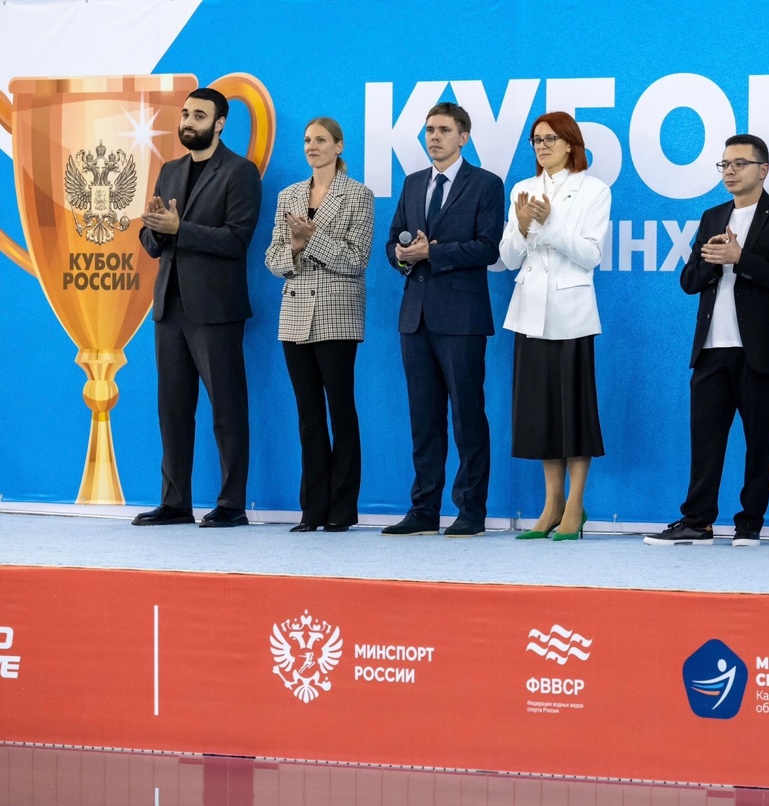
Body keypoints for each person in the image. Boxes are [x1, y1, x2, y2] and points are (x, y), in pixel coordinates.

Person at [645, 134, 769, 548]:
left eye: (739, 164)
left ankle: (749, 523)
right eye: (724, 165)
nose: (730, 172)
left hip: (758, 349)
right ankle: (697, 521)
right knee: (705, 440)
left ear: (763, 170)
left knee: (759, 441)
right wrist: (713, 263)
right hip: (711, 349)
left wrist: (741, 260)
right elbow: (688, 281)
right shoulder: (713, 216)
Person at [135, 87, 262, 528]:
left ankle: (232, 504)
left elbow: (236, 240)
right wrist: (157, 229)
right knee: (172, 409)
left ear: (220, 123)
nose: (188, 121)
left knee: (227, 408)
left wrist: (179, 228)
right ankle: (175, 503)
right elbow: (151, 241)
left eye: (199, 116)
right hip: (169, 307)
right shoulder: (169, 171)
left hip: (216, 309)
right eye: (186, 114)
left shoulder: (240, 172)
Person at [383, 102, 505, 537]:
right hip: (414, 316)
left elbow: (488, 247)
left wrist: (433, 253)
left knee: (467, 417)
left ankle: (471, 511)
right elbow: (392, 242)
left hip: (462, 317)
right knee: (424, 420)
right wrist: (402, 255)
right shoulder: (413, 183)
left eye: (443, 130)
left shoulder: (486, 184)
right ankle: (424, 510)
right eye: (429, 130)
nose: (433, 137)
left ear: (463, 137)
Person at [498, 112, 610, 542]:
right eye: (536, 140)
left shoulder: (593, 189)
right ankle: (551, 505)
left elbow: (590, 254)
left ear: (569, 144)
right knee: (541, 413)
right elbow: (509, 257)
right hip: (530, 311)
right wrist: (524, 225)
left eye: (549, 139)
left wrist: (550, 224)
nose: (541, 146)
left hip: (571, 313)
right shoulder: (522, 189)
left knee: (573, 412)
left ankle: (575, 506)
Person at [265, 117, 374, 533]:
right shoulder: (289, 195)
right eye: (308, 140)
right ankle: (312, 510)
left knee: (341, 411)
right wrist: (294, 249)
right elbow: (272, 260)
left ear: (339, 146)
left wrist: (313, 240)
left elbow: (357, 259)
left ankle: (341, 510)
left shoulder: (358, 195)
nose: (312, 146)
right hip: (294, 316)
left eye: (321, 140)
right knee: (308, 415)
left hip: (337, 315)